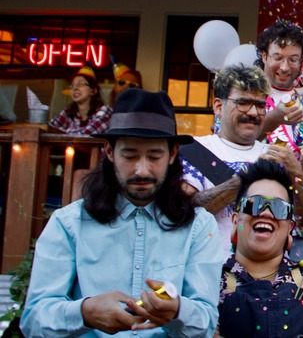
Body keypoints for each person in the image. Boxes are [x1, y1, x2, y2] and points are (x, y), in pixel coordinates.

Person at [21, 89, 223, 337]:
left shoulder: (198, 226)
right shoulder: (69, 223)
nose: (141, 170)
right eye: (130, 155)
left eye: (154, 156)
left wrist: (178, 311)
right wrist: (84, 313)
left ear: (172, 154)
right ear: (109, 152)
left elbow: (206, 322)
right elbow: (33, 320)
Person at [182, 65, 303, 253]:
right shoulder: (194, 149)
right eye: (243, 103)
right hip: (210, 272)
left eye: (261, 105)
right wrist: (250, 175)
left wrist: (296, 171)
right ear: (218, 107)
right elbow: (184, 212)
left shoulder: (277, 154)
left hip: (266, 278)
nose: (253, 113)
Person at [217, 158, 303, 337]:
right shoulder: (208, 281)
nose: (266, 213)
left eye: (279, 207)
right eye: (254, 204)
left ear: (290, 228)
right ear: (236, 221)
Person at [256, 19, 303, 262]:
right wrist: (275, 118)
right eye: (277, 57)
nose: (284, 66)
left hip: (301, 222)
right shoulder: (247, 102)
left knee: (299, 292)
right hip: (254, 215)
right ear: (264, 56)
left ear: (302, 62)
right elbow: (229, 142)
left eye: (293, 59)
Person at [49, 65, 113, 135]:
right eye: (72, 85)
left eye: (80, 84)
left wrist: (63, 133)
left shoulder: (105, 111)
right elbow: (49, 129)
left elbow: (87, 134)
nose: (75, 88)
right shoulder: (68, 112)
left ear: (93, 91)